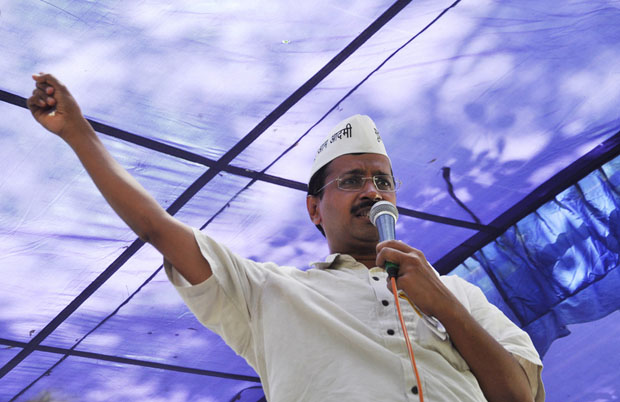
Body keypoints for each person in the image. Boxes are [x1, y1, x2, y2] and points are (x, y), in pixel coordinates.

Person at [28, 73, 544, 402]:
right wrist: (81, 135)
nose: (372, 191)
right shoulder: (269, 294)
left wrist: (444, 305)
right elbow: (157, 228)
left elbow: (521, 400)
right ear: (314, 209)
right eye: (352, 181)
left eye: (383, 182)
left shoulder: (462, 295)